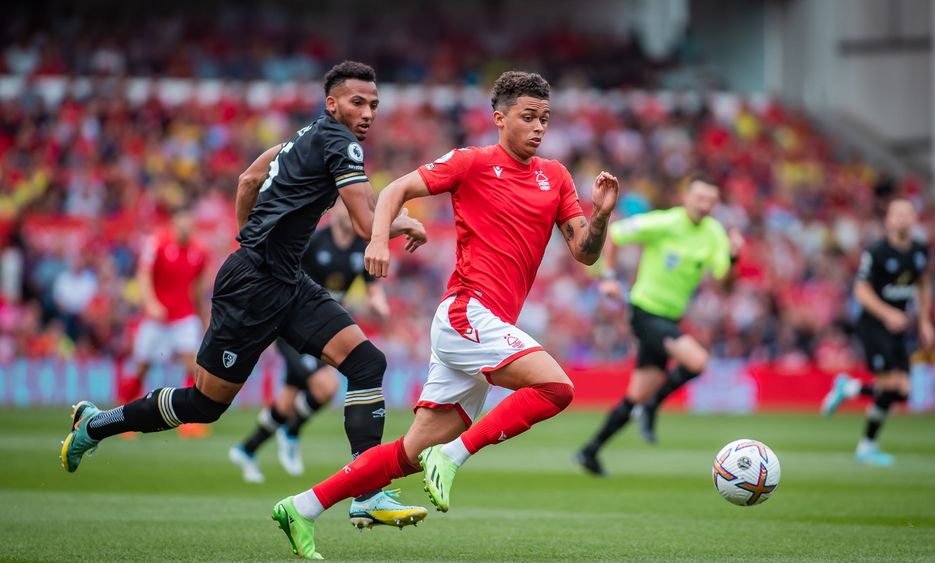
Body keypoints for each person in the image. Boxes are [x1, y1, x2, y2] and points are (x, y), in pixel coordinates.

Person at [59, 61, 430, 529]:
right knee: (205, 405)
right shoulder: (341, 143)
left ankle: (367, 491)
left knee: (366, 363)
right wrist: (401, 223)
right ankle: (96, 424)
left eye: (374, 104)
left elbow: (248, 180)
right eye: (358, 102)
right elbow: (362, 223)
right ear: (332, 103)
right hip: (254, 287)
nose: (368, 112)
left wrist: (249, 238)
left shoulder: (302, 136)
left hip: (284, 280)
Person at [269, 71, 620, 560]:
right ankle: (453, 455)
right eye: (528, 117)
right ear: (499, 119)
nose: (539, 127)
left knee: (405, 456)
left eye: (545, 118)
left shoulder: (556, 176)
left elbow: (585, 252)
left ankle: (303, 507)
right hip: (466, 312)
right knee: (556, 388)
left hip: (487, 325)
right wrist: (376, 242)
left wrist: (600, 215)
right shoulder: (471, 162)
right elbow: (394, 190)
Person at [576, 175, 743, 476]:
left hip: (670, 317)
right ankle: (653, 406)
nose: (705, 205)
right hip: (644, 311)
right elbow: (615, 233)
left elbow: (725, 283)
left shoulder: (715, 234)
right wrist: (609, 277)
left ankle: (590, 450)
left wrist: (733, 256)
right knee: (698, 360)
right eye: (700, 198)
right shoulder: (665, 223)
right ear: (686, 197)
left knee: (634, 396)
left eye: (711, 200)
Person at [229, 199, 390, 483]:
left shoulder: (361, 247)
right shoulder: (316, 241)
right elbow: (287, 274)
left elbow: (371, 285)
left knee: (287, 400)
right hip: (294, 326)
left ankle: (247, 449)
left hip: (325, 329)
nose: (349, 212)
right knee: (326, 386)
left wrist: (379, 303)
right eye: (344, 206)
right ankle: (291, 432)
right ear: (336, 209)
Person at [821, 198, 934, 466]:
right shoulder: (878, 251)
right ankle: (866, 446)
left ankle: (849, 388)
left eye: (907, 213)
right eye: (897, 214)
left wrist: (925, 322)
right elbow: (861, 290)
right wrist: (888, 313)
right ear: (888, 220)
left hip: (898, 328)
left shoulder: (920, 251)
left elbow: (924, 284)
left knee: (903, 391)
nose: (902, 218)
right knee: (891, 385)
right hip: (873, 325)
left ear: (913, 219)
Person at [122, 204, 210, 438]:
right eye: (182, 221)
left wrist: (203, 317)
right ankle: (123, 414)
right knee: (141, 366)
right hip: (157, 317)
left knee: (192, 365)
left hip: (184, 315)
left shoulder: (199, 251)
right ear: (174, 222)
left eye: (190, 222)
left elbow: (198, 288)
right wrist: (150, 303)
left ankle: (190, 420)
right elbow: (144, 275)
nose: (186, 227)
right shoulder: (157, 243)